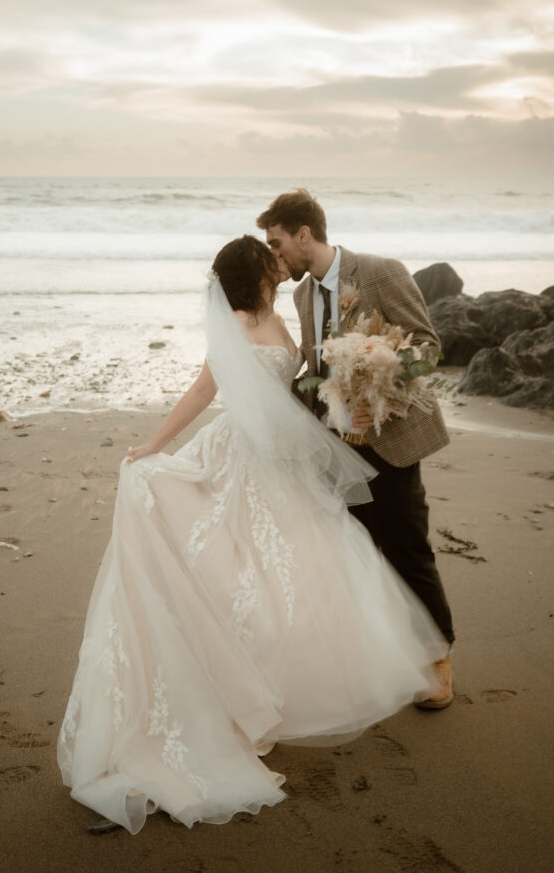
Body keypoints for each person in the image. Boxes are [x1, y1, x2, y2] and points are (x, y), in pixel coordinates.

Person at [57, 236, 446, 835]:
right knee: (247, 574)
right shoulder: (236, 322)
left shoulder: (280, 313)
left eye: (279, 255)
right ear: (255, 272)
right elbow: (203, 390)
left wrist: (353, 391)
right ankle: (235, 694)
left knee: (304, 573)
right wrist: (155, 446)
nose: (280, 265)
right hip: (243, 456)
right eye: (270, 261)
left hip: (289, 460)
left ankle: (286, 687)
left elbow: (302, 384)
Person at [257, 189, 455, 709]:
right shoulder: (301, 298)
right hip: (335, 448)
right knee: (357, 555)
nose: (275, 255)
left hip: (391, 439)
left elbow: (429, 347)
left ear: (304, 235)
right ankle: (377, 660)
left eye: (277, 243)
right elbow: (317, 375)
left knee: (409, 547)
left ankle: (438, 658)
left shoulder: (380, 272)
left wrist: (380, 388)